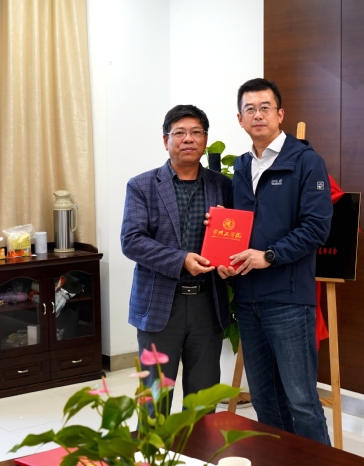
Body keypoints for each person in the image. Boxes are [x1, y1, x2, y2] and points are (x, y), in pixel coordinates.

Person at [217, 78, 333, 444]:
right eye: (249, 109)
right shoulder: (241, 167)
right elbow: (238, 228)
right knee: (265, 400)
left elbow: (316, 228)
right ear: (240, 119)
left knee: (302, 402)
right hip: (248, 300)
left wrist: (269, 256)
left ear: (280, 114)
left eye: (265, 107)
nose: (258, 115)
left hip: (288, 300)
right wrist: (223, 252)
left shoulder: (307, 163)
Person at [121, 104, 233, 410]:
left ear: (205, 139)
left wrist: (229, 256)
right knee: (154, 401)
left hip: (207, 304)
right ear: (165, 140)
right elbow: (131, 241)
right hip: (159, 305)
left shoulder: (223, 186)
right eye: (180, 133)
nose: (188, 139)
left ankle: (199, 444)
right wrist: (181, 259)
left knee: (203, 402)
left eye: (196, 132)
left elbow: (237, 236)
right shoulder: (142, 185)